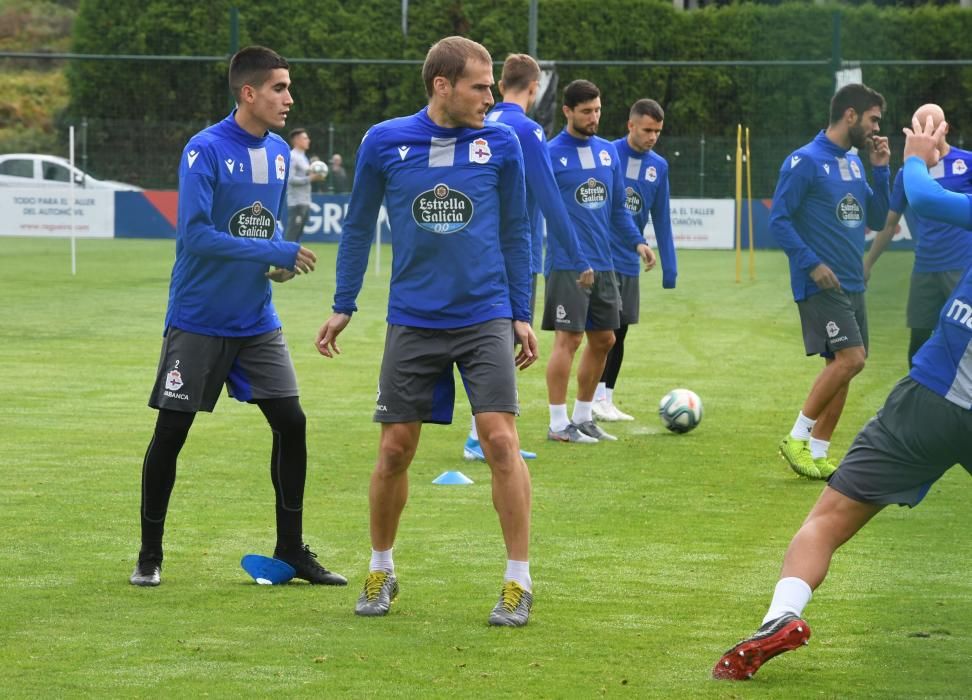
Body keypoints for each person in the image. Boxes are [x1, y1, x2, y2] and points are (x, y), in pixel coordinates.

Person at [712, 113, 972, 681]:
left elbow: (924, 200)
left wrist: (918, 152)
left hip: (930, 396)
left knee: (827, 519)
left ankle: (781, 615)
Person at [315, 36, 538, 627]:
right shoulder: (385, 141)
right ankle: (381, 568)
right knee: (394, 451)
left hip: (485, 313)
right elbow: (358, 226)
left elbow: (518, 231)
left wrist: (521, 311)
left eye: (493, 86)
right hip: (412, 319)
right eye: (480, 87)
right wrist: (344, 303)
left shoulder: (503, 143)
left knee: (499, 442)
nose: (491, 98)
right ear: (442, 85)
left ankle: (518, 581)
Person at [129, 46, 346, 587]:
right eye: (279, 88)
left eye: (289, 87)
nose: (289, 98)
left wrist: (276, 262)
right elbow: (196, 236)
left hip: (255, 322)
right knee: (172, 432)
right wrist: (273, 252)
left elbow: (262, 230)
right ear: (248, 93)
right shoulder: (204, 150)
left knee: (291, 422)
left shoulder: (277, 153)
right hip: (199, 319)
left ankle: (291, 549)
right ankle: (149, 554)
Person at [457, 52, 593, 462]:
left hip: (473, 251)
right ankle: (480, 438)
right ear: (534, 89)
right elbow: (551, 199)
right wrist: (578, 256)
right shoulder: (527, 131)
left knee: (484, 342)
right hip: (514, 256)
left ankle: (483, 435)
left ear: (499, 87)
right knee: (500, 346)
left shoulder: (480, 122)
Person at [773, 83, 891, 480]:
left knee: (846, 365)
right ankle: (796, 437)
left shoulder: (855, 162)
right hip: (821, 284)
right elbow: (780, 220)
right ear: (851, 115)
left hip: (853, 284)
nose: (877, 128)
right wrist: (812, 264)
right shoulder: (804, 161)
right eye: (874, 120)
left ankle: (819, 452)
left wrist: (881, 168)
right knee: (851, 358)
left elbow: (875, 218)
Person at [544, 79, 655, 444]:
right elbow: (551, 214)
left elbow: (618, 210)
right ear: (568, 112)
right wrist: (575, 259)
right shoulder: (551, 154)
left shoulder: (608, 153)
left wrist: (638, 242)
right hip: (568, 264)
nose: (594, 117)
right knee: (570, 339)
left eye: (598, 110)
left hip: (604, 263)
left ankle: (583, 416)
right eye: (586, 111)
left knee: (605, 339)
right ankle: (558, 423)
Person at [863, 103, 972, 367]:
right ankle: (917, 402)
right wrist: (867, 263)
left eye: (933, 127)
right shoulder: (909, 172)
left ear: (945, 127)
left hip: (961, 268)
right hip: (925, 268)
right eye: (921, 127)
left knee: (963, 337)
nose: (927, 133)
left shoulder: (967, 162)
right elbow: (890, 224)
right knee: (919, 341)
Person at [592, 98, 677, 422]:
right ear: (631, 126)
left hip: (630, 259)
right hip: (602, 255)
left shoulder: (659, 166)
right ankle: (593, 397)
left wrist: (671, 270)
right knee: (605, 331)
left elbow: (663, 218)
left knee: (622, 331)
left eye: (657, 131)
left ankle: (606, 397)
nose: (652, 136)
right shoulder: (607, 153)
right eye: (647, 130)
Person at [284, 128, 324, 242]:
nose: (308, 140)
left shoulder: (304, 158)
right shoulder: (292, 156)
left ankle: (293, 258)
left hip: (305, 201)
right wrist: (311, 178)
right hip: (296, 202)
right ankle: (284, 258)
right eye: (305, 138)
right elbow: (290, 179)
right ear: (296, 140)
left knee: (298, 234)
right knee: (292, 234)